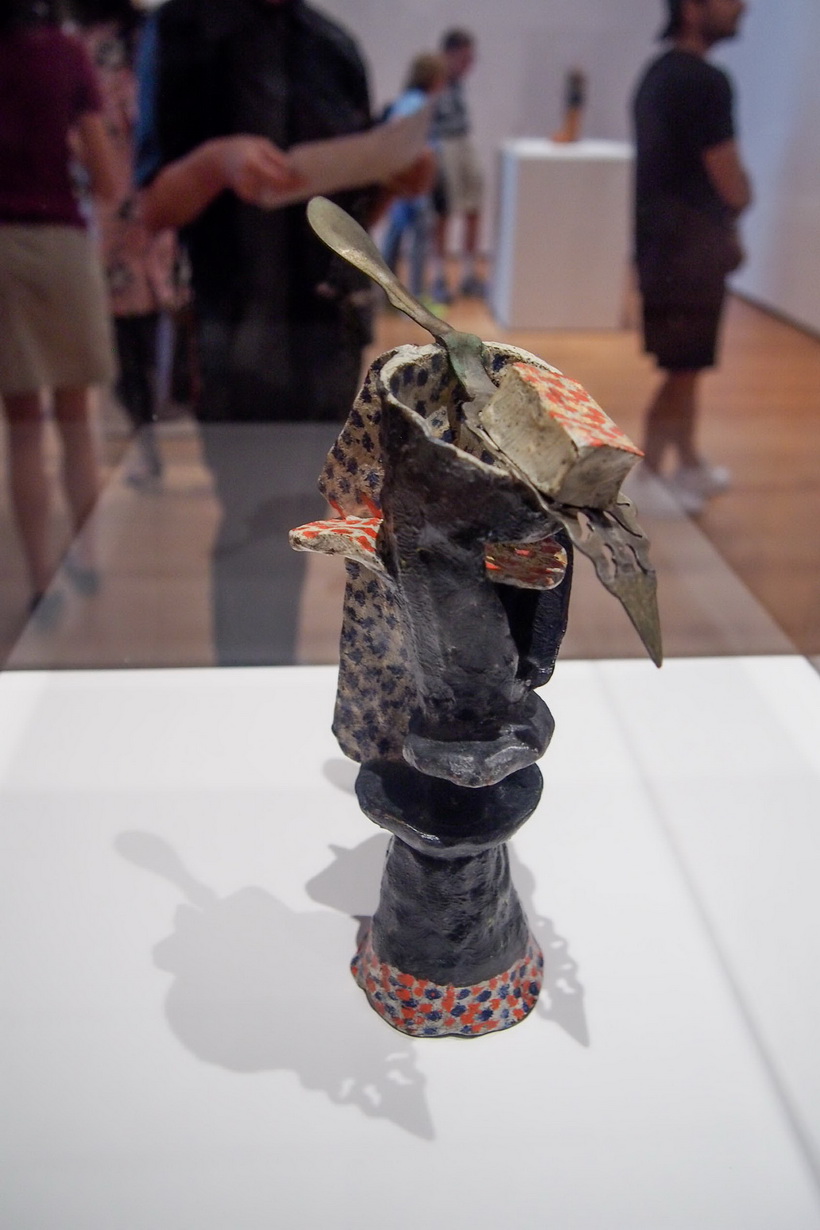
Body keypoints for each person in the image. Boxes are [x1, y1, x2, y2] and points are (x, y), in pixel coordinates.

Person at [135, 0, 430, 664]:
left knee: (294, 518)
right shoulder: (183, 29)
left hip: (326, 333)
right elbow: (153, 206)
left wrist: (395, 181)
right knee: (252, 523)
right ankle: (247, 685)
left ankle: (264, 683)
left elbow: (351, 218)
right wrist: (217, 161)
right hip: (235, 332)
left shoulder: (331, 45)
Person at [0, 0, 116, 622]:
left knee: (22, 427)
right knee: (75, 421)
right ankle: (88, 558)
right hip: (59, 244)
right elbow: (106, 177)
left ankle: (41, 579)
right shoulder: (66, 54)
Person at [633, 0, 751, 514]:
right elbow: (730, 179)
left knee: (690, 363)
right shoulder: (705, 82)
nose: (742, 6)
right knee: (682, 370)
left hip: (669, 250)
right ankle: (649, 477)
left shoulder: (658, 74)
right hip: (687, 256)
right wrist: (744, 198)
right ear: (692, 8)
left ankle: (688, 462)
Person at [70, 0, 183, 488]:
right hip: (158, 198)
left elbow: (86, 135)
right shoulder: (152, 36)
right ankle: (150, 434)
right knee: (153, 323)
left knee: (124, 333)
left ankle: (145, 440)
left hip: (112, 206)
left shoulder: (90, 46)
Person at [380, 52, 446, 302]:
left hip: (402, 182)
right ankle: (416, 297)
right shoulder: (418, 103)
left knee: (395, 236)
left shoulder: (407, 100)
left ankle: (385, 295)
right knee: (419, 241)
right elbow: (399, 128)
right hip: (413, 186)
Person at [428, 28, 485, 304]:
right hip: (441, 143)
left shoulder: (457, 83)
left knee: (474, 204)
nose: (468, 65)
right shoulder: (432, 79)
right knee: (443, 211)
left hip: (462, 140)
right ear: (448, 55)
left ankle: (468, 275)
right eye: (464, 58)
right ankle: (439, 276)